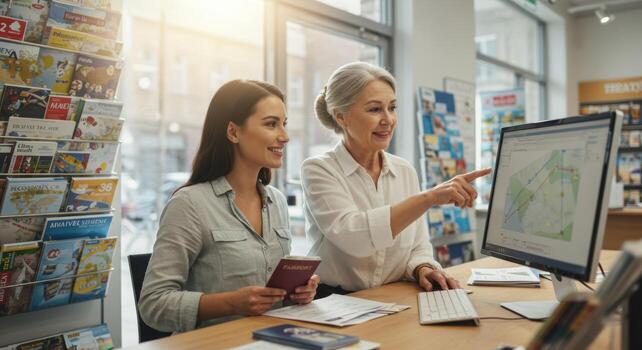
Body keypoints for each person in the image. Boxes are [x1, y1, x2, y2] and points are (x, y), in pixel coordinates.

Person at [139, 80, 320, 333]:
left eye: (284, 124)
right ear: (233, 132)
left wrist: (297, 292)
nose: (285, 136)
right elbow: (153, 304)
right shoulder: (189, 204)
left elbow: (270, 293)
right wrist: (230, 303)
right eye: (271, 124)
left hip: (274, 339)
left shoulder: (276, 201)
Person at [302, 62, 491, 298]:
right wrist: (429, 197)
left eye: (392, 108)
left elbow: (418, 246)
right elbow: (354, 237)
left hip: (392, 297)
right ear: (341, 117)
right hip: (334, 301)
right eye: (374, 109)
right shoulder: (319, 169)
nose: (388, 119)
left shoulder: (404, 171)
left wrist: (423, 267)